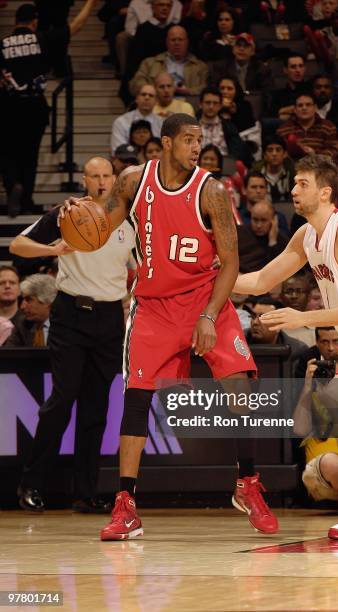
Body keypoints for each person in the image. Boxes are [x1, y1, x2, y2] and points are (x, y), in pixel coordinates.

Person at [60, 113, 279, 540]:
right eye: (189, 140)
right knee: (136, 399)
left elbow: (231, 263)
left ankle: (247, 484)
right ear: (164, 143)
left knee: (241, 389)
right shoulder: (131, 181)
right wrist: (76, 214)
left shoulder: (211, 191)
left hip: (205, 299)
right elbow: (100, 227)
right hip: (154, 307)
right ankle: (126, 506)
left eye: (200, 140)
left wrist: (210, 317)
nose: (197, 147)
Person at [234, 153, 338, 539]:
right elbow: (261, 280)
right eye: (293, 183)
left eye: (303, 184)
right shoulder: (306, 235)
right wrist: (211, 279)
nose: (293, 190)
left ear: (326, 192)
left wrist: (302, 318)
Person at [9, 157, 135, 514]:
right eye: (93, 176)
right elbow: (18, 245)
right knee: (61, 401)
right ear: (84, 180)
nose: (100, 182)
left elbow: (142, 266)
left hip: (111, 318)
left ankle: (86, 491)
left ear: (115, 180)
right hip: (70, 316)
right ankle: (31, 484)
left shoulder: (131, 219)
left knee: (96, 409)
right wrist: (51, 249)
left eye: (106, 176)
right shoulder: (67, 214)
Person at [0, 0, 96, 216]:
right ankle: (26, 200)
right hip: (35, 107)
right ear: (35, 21)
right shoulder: (42, 38)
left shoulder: (3, 44)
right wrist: (91, 3)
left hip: (7, 106)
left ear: (15, 22)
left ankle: (13, 184)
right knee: (30, 154)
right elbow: (76, 26)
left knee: (6, 152)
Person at [129, 25, 208, 99]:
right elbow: (135, 84)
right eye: (173, 40)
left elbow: (206, 88)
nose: (177, 43)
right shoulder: (149, 63)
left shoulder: (200, 66)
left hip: (187, 106)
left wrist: (188, 91)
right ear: (167, 42)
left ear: (187, 42)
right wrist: (158, 90)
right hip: (156, 104)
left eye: (180, 40)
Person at [277, 93, 337, 161]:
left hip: (320, 168)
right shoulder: (283, 129)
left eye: (308, 105)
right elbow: (279, 154)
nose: (304, 108)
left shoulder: (328, 126)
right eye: (300, 105)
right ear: (295, 110)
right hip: (293, 168)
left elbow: (334, 153)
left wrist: (314, 153)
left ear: (315, 108)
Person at [5, 273, 57, 347]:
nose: (22, 306)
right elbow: (9, 355)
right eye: (23, 299)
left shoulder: (65, 326)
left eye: (29, 299)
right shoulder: (22, 325)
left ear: (47, 301)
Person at [237, 200, 288, 273]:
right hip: (238, 276)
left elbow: (276, 270)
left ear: (273, 220)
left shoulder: (282, 240)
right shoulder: (239, 232)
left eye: (263, 220)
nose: (258, 225)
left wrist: (272, 242)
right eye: (255, 220)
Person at [111, 84, 163, 152]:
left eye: (151, 95)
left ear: (156, 101)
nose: (147, 98)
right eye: (143, 94)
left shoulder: (162, 123)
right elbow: (118, 150)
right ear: (136, 98)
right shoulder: (121, 122)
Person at [0, 265, 21, 346]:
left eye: (12, 283)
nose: (7, 286)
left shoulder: (28, 321)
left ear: (19, 289)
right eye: (1, 283)